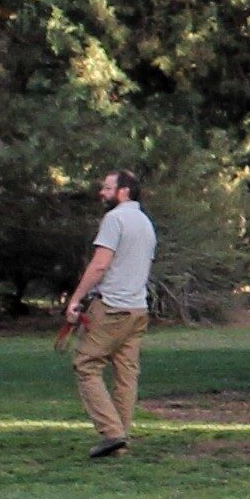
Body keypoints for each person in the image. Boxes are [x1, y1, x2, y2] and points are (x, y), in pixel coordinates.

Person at [63, 167, 157, 457]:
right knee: (126, 375)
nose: (101, 193)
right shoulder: (145, 222)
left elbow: (100, 265)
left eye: (106, 188)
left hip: (112, 307)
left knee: (86, 365)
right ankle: (120, 444)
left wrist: (76, 299)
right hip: (138, 309)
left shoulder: (115, 219)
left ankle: (112, 434)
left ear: (123, 191)